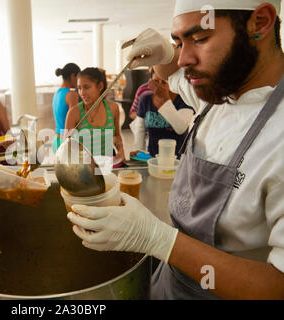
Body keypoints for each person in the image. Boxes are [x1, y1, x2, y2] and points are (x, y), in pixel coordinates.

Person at [67, 0, 284, 300]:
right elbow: (174, 72)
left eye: (200, 39)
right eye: (179, 42)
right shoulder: (221, 90)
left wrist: (160, 240)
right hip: (170, 287)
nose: (183, 59)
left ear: (259, 22)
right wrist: (166, 51)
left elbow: (277, 287)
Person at [64, 67, 125, 161]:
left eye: (86, 87)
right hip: (84, 169)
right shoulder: (74, 113)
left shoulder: (113, 108)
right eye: (79, 88)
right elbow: (67, 147)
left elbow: (116, 136)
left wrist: (121, 150)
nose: (82, 93)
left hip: (108, 165)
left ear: (100, 86)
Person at [130, 69, 194, 158]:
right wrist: (139, 151)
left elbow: (181, 128)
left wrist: (165, 99)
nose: (159, 86)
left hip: (178, 157)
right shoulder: (146, 99)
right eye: (156, 82)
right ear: (150, 82)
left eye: (163, 82)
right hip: (153, 155)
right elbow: (140, 129)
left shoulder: (184, 100)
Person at [52, 63, 81, 152]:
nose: (79, 81)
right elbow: (76, 122)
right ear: (73, 76)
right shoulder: (71, 95)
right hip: (66, 142)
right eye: (78, 78)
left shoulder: (57, 93)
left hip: (57, 140)